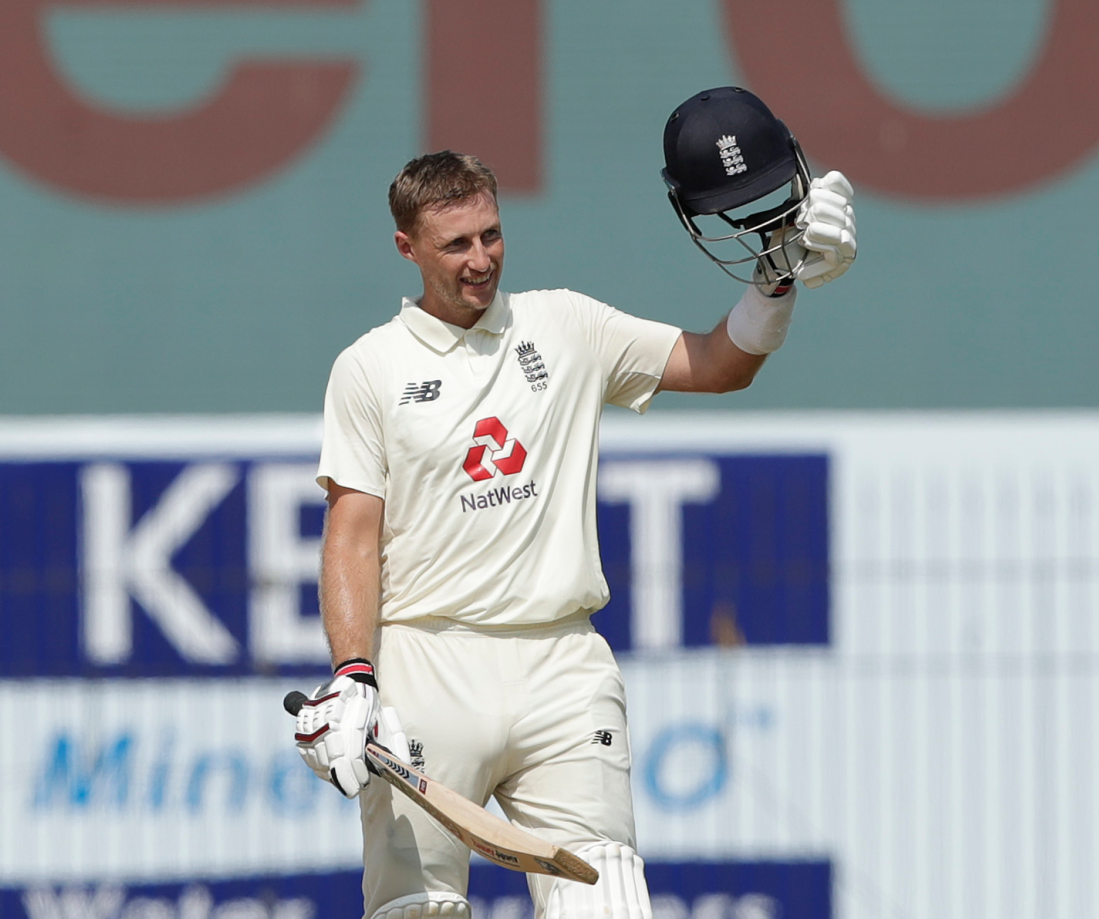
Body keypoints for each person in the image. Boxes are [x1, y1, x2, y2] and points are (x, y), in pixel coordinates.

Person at [292, 88, 857, 919]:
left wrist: (777, 279)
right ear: (407, 247)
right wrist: (351, 675)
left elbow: (718, 363)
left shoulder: (564, 325)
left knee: (610, 905)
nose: (480, 258)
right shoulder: (369, 366)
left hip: (561, 662)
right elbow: (351, 534)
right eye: (455, 245)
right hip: (427, 665)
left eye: (491, 235)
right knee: (419, 910)